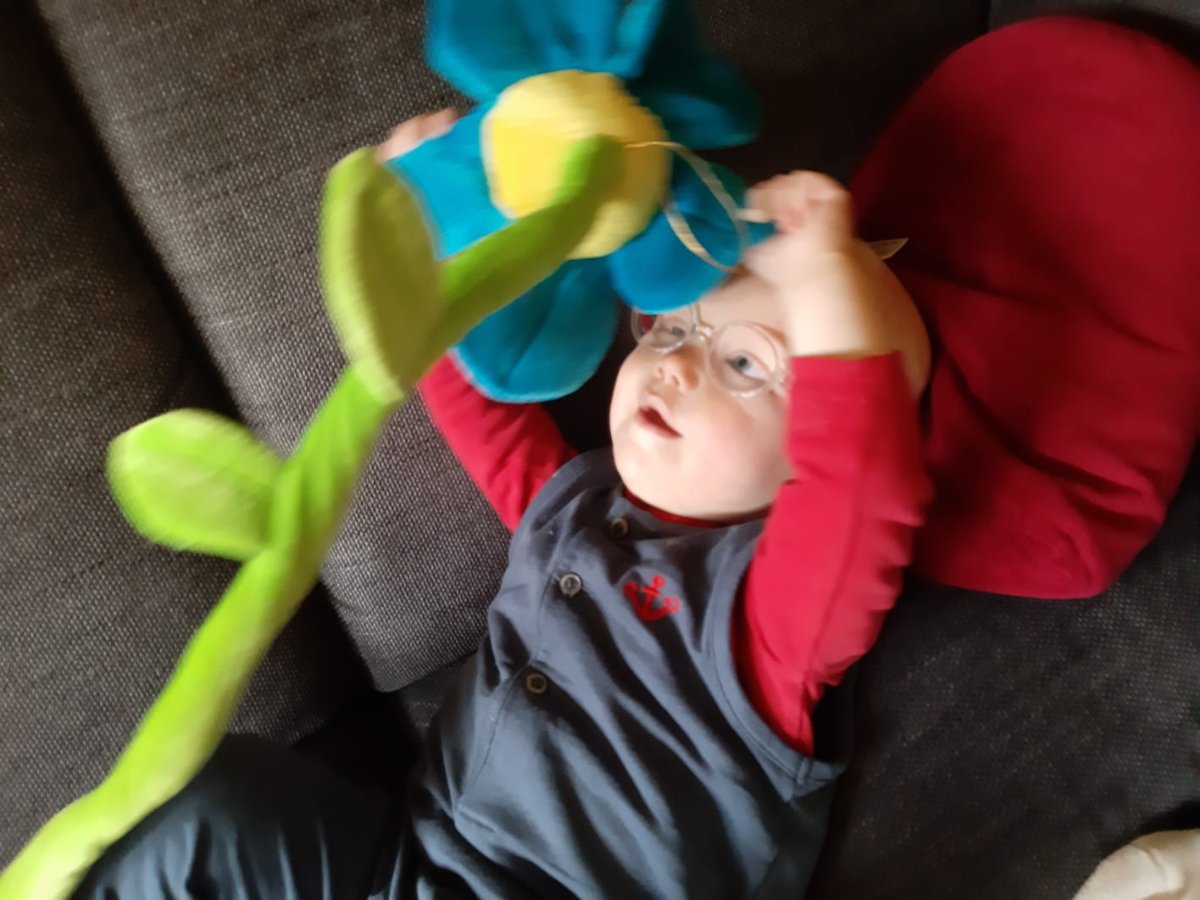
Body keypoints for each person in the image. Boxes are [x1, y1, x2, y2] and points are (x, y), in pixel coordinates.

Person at [74, 110, 931, 899]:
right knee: (216, 804)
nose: (674, 364)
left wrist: (824, 278)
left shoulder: (775, 615)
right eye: (674, 328)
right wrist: (434, 223)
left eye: (745, 363)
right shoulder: (573, 501)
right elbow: (482, 407)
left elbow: (860, 491)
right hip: (406, 863)